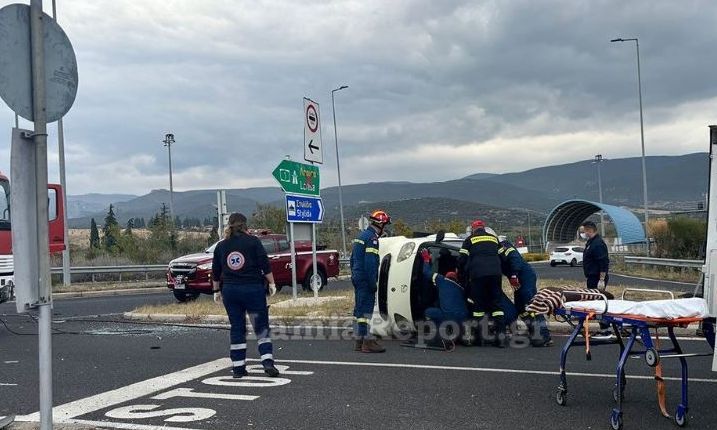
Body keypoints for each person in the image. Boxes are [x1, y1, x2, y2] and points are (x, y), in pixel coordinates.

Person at [212, 213, 280, 378]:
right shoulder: (253, 242)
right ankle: (267, 362)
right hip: (252, 289)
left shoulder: (221, 246)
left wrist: (216, 291)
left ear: (229, 225)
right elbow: (265, 265)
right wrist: (272, 283)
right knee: (261, 326)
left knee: (237, 328)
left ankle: (238, 368)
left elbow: (215, 271)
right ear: (245, 225)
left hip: (230, 291)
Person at [458, 219, 508, 347]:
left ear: (473, 229)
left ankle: (480, 339)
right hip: (495, 275)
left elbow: (461, 259)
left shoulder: (469, 240)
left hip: (478, 275)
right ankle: (501, 340)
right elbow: (504, 257)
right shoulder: (494, 238)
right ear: (484, 228)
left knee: (478, 307)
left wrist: (461, 273)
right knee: (497, 306)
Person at [497, 236, 552, 347]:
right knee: (520, 307)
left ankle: (544, 335)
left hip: (524, 277)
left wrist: (514, 275)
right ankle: (534, 331)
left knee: (532, 305)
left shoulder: (504, 245)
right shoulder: (495, 249)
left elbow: (515, 258)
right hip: (519, 279)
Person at [350, 210, 391, 353]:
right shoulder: (372, 239)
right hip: (366, 280)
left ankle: (359, 341)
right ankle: (367, 342)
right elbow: (370, 263)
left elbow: (352, 259)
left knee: (359, 310)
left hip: (358, 277)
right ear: (380, 224)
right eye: (385, 225)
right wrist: (372, 282)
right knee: (366, 312)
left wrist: (355, 275)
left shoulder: (361, 236)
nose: (385, 228)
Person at [419, 249, 469, 346]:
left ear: (447, 276)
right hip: (463, 318)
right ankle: (462, 334)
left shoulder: (442, 280)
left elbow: (426, 272)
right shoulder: (461, 289)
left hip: (448, 316)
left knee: (428, 312)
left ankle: (439, 335)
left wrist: (426, 259)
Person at [580, 220, 611, 338]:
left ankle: (606, 329)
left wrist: (601, 279)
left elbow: (603, 262)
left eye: (584, 231)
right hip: (591, 277)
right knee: (596, 302)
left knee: (599, 303)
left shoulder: (598, 244)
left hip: (597, 278)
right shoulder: (591, 243)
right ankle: (604, 328)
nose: (583, 233)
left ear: (589, 230)